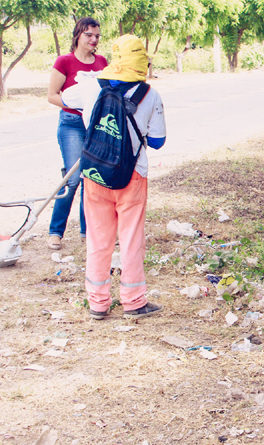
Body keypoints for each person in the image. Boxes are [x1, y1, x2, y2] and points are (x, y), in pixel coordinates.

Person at [61, 35, 166, 320]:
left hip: (95, 174)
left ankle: (97, 303)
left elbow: (62, 99)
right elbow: (158, 141)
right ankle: (133, 302)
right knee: (131, 240)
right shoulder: (149, 94)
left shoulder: (88, 86)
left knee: (97, 240)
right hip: (132, 175)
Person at [46, 17, 108, 250]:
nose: (93, 40)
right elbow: (52, 95)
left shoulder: (101, 62)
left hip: (95, 125)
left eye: (97, 36)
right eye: (89, 35)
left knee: (91, 178)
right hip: (72, 123)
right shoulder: (65, 61)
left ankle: (87, 231)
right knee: (71, 179)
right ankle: (55, 232)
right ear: (78, 36)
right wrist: (75, 104)